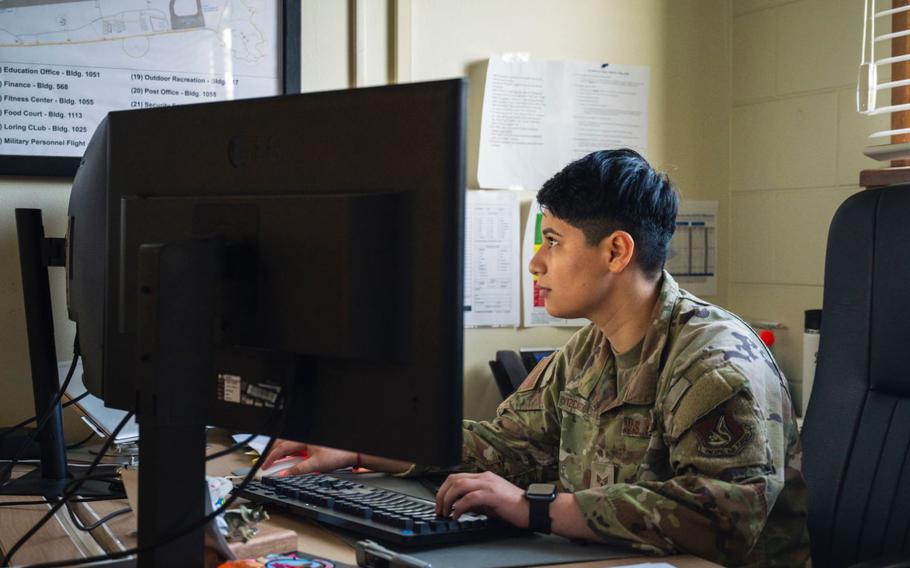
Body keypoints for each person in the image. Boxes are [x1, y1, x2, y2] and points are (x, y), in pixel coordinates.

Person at [262, 149, 810, 567]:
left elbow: (722, 515)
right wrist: (364, 442)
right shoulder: (590, 348)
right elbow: (501, 446)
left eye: (553, 240)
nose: (536, 264)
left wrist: (537, 509)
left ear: (617, 251)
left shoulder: (714, 367)